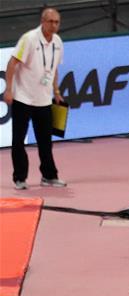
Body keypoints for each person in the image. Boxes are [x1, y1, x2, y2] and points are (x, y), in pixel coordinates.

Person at [4, 8, 66, 190]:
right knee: (18, 140)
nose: (54, 25)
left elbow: (54, 69)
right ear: (42, 21)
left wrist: (56, 91)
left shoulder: (58, 42)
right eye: (51, 21)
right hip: (23, 98)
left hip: (44, 100)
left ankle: (49, 176)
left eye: (57, 22)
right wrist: (8, 89)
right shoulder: (29, 39)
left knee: (45, 141)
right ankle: (20, 178)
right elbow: (12, 63)